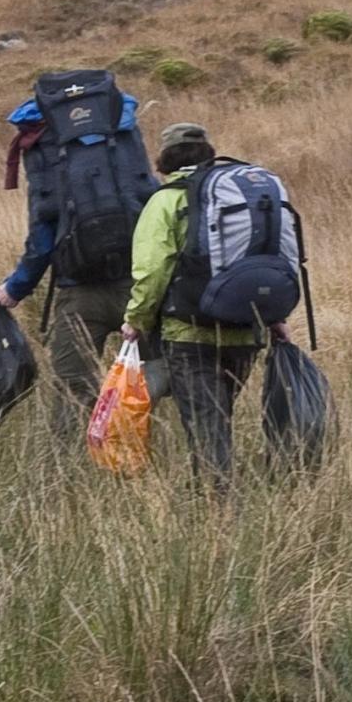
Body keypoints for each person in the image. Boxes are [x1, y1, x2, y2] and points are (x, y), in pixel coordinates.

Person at [0, 70, 158, 447]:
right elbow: (151, 198)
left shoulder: (43, 143)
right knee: (159, 384)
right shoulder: (122, 128)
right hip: (142, 284)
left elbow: (43, 230)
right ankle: (145, 461)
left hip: (78, 291)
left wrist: (17, 287)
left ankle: (63, 483)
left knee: (72, 394)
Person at [121, 123, 293, 489]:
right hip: (245, 329)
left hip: (189, 333)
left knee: (207, 429)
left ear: (164, 162)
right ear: (208, 155)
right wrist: (275, 318)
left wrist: (135, 320)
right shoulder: (232, 197)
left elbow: (152, 270)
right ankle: (215, 498)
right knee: (217, 420)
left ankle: (219, 517)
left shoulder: (165, 201)